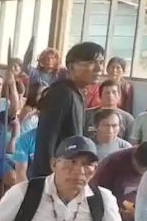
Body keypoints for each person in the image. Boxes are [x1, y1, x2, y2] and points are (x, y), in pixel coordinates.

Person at [30, 41, 103, 181]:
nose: (99, 68)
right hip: (55, 178)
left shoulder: (77, 94)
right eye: (91, 62)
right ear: (71, 66)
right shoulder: (62, 93)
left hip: (69, 175)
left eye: (101, 62)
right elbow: (46, 141)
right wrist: (48, 180)